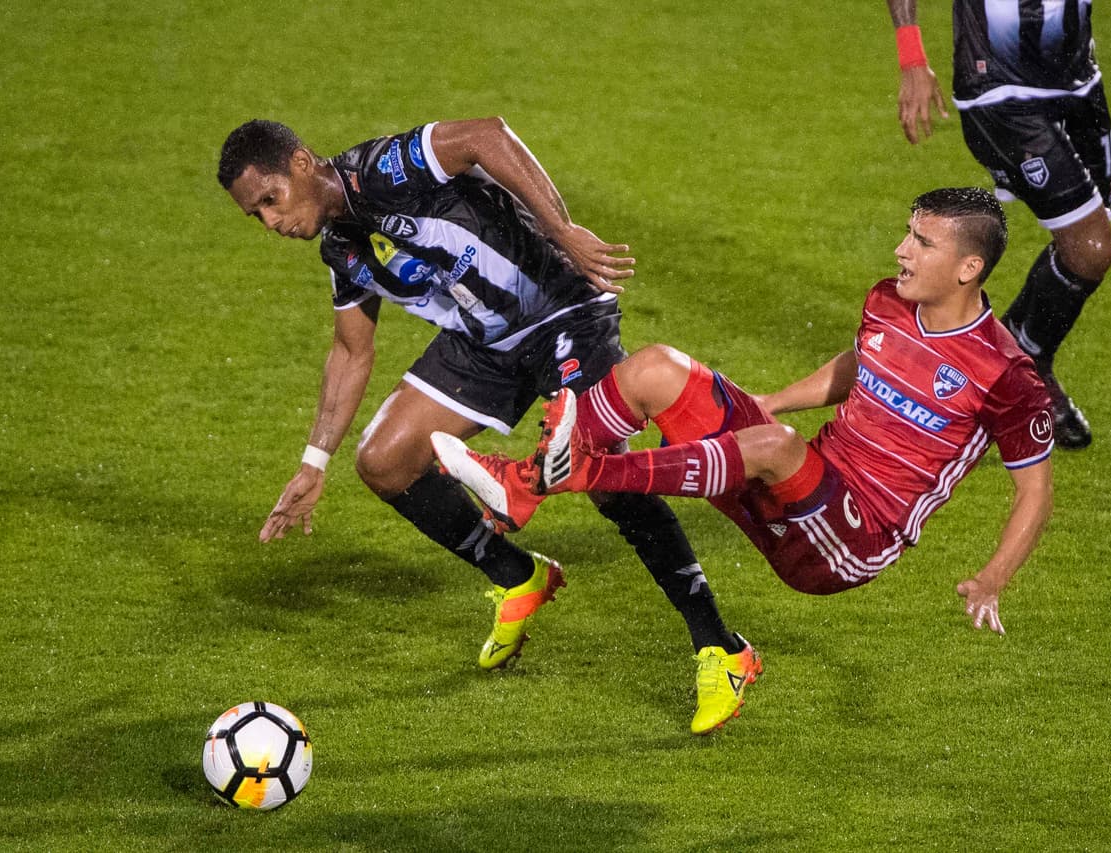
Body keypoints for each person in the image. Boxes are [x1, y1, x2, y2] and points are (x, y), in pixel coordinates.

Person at [216, 117, 757, 734]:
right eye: (254, 215)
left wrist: (562, 229)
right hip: (486, 344)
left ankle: (722, 649)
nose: (270, 222)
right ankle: (517, 575)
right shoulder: (341, 249)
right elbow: (349, 350)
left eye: (270, 200)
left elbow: (484, 134)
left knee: (608, 479)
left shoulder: (384, 170)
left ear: (303, 164)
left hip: (562, 308)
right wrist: (314, 463)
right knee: (385, 461)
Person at [434, 188, 1054, 636]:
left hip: (852, 539)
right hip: (794, 480)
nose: (901, 250)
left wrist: (995, 576)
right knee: (656, 367)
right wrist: (772, 400)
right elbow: (862, 361)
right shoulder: (889, 303)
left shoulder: (1006, 374)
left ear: (970, 267)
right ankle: (523, 487)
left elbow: (1035, 491)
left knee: (776, 445)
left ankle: (564, 474)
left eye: (922, 241)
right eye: (908, 233)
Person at [886, 0, 1111, 449]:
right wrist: (912, 58)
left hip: (1078, 87)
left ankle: (1009, 361)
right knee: (1091, 247)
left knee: (1083, 251)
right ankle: (1014, 371)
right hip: (998, 90)